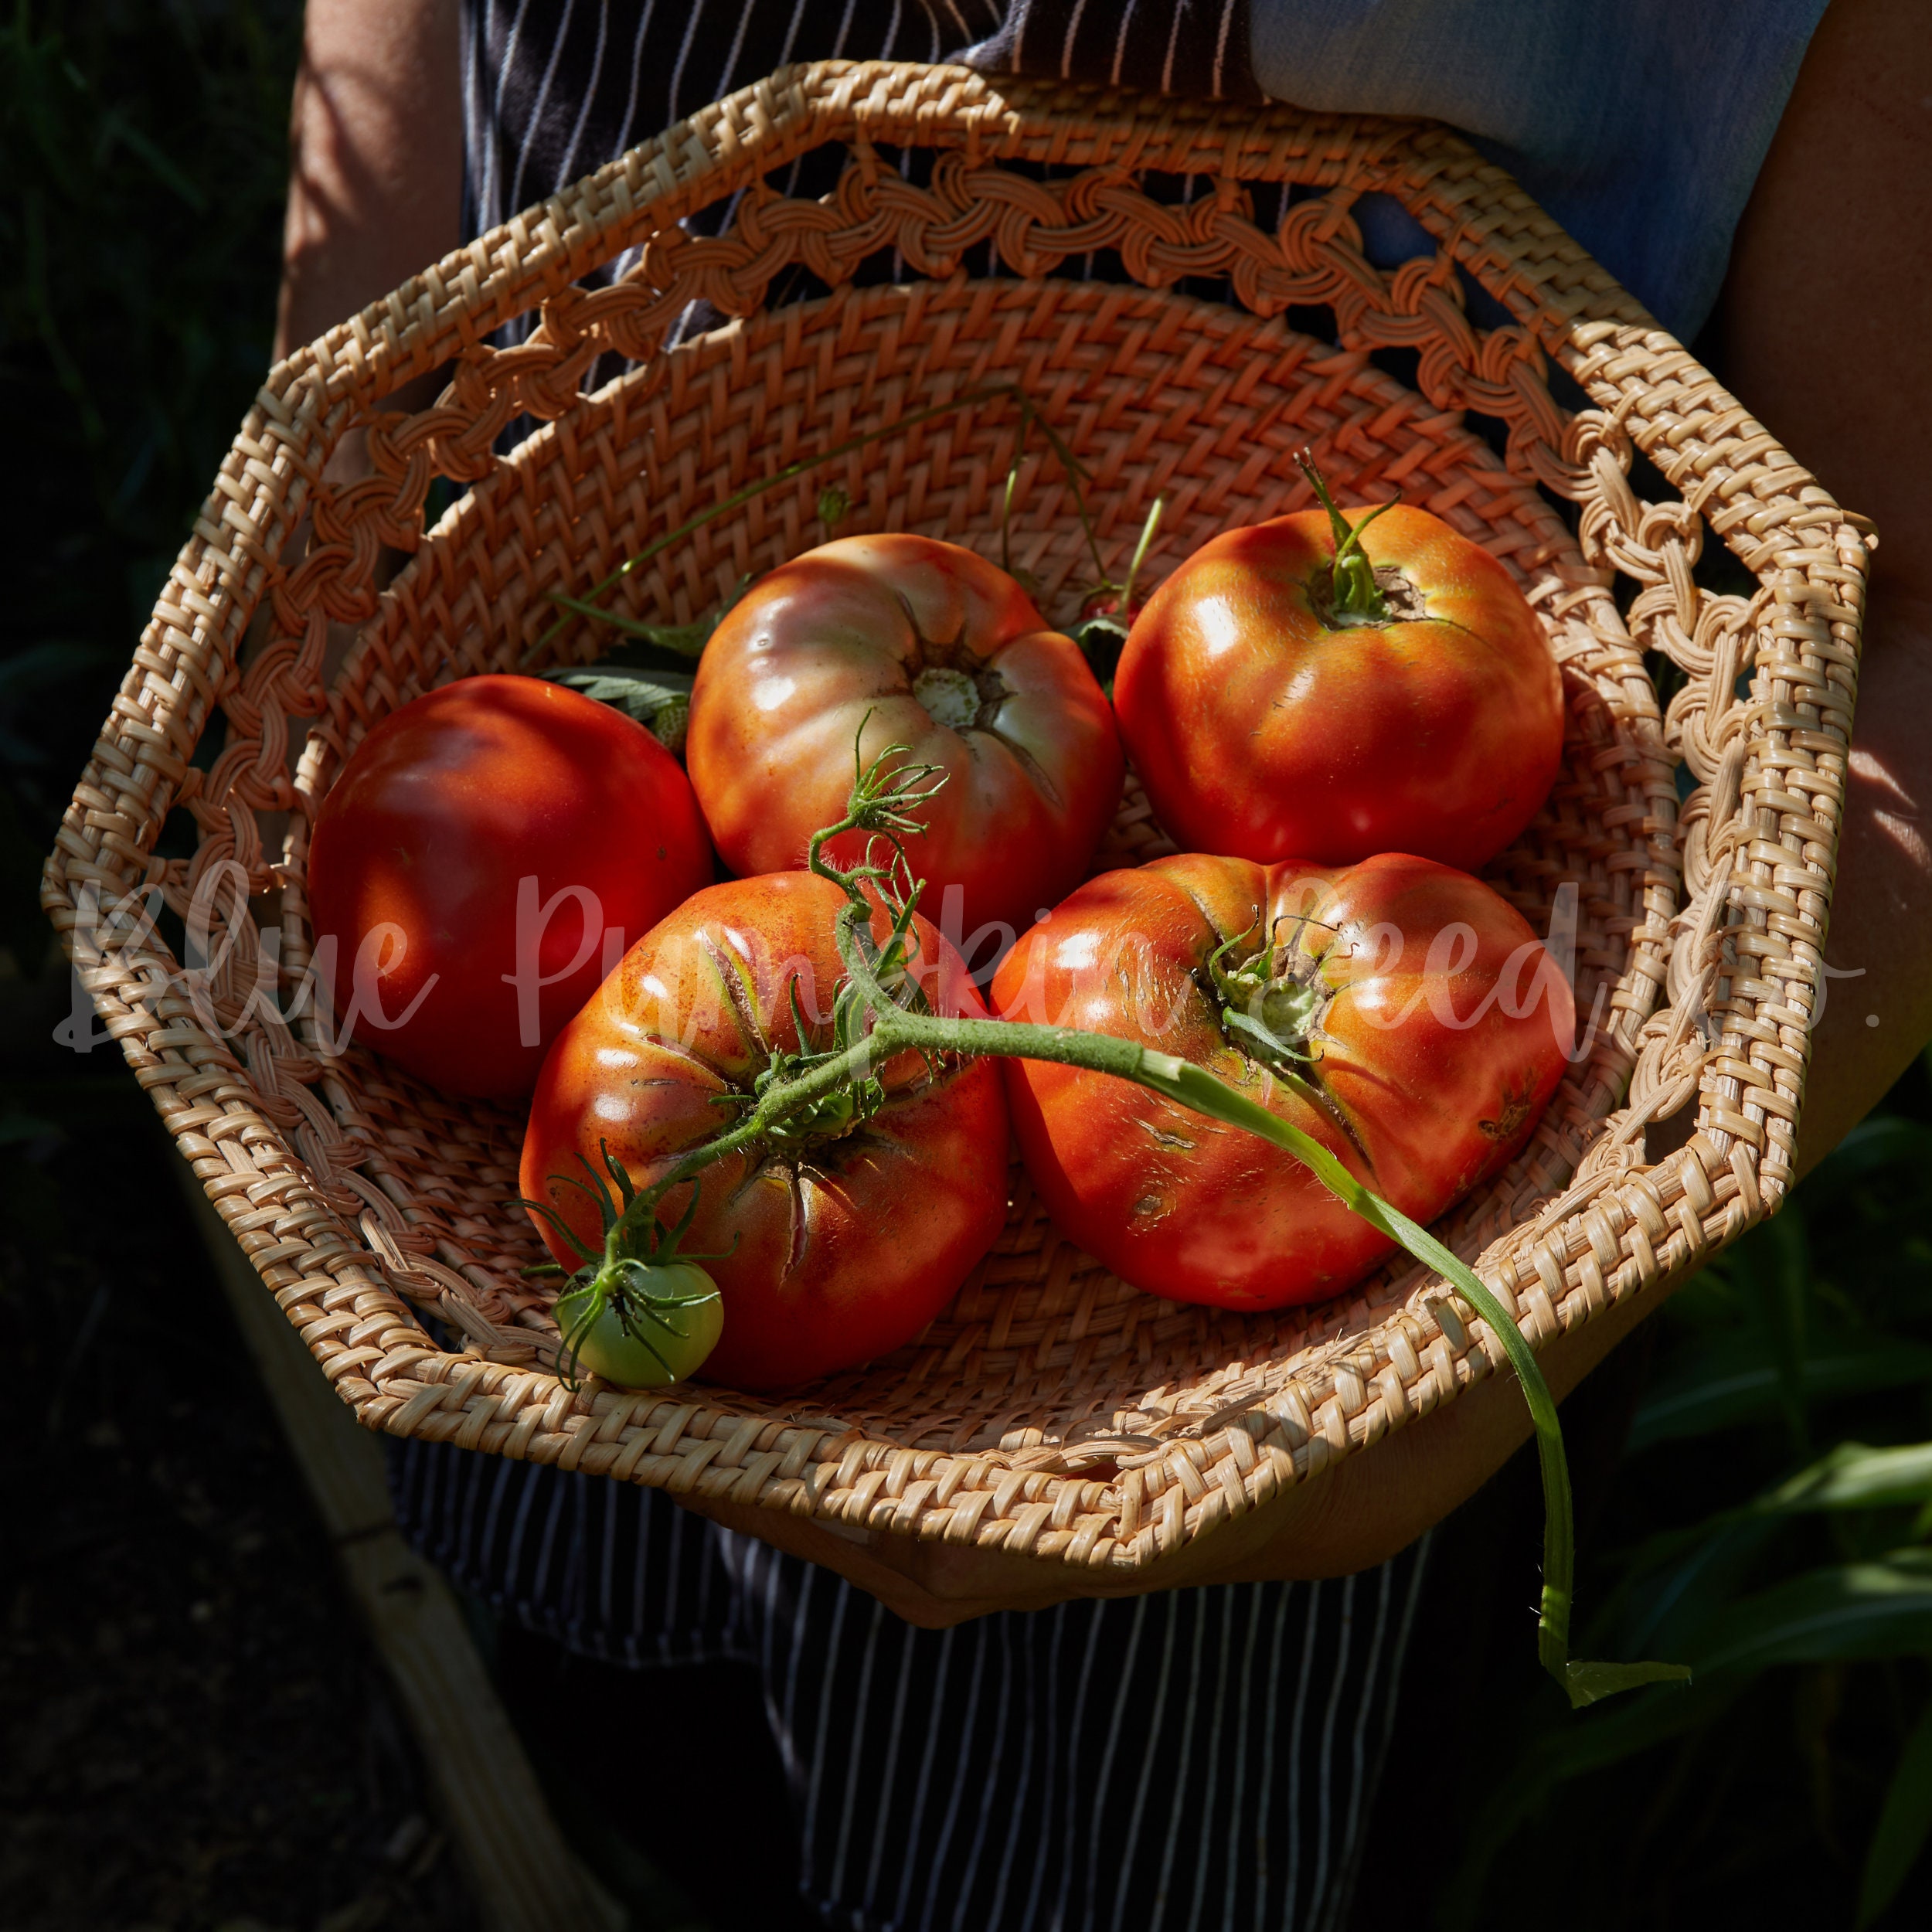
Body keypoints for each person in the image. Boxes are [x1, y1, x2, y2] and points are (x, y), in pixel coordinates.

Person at [276, 3, 1932, 1925]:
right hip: (584, 477)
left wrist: (1477, 1392)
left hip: (1289, 1451)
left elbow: (1910, 605)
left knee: (1110, 1819)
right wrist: (358, 425)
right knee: (632, 1700)